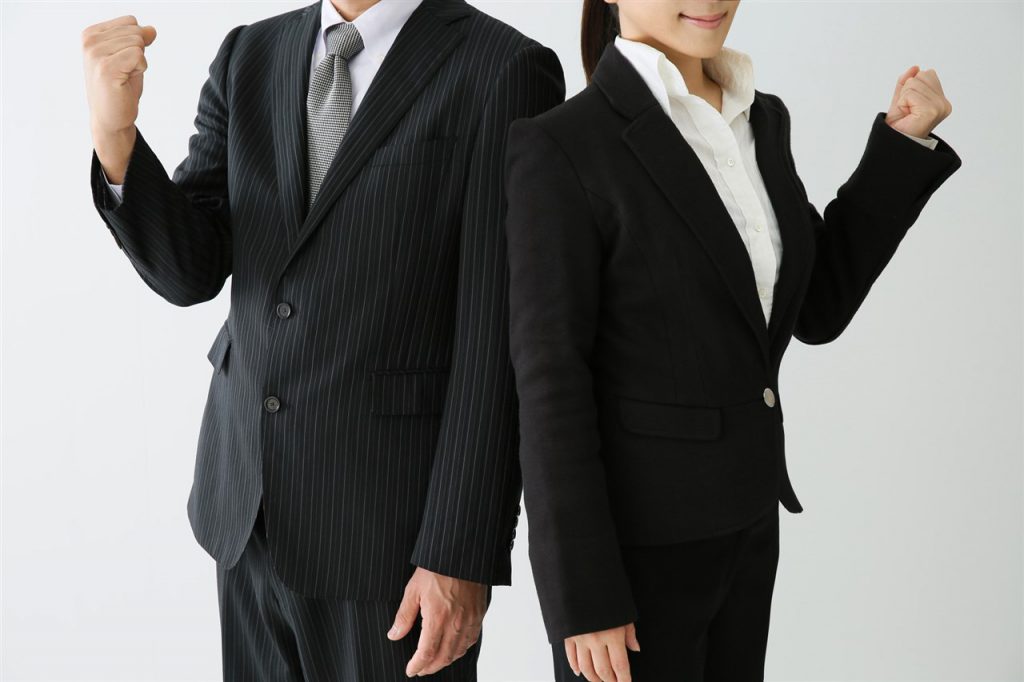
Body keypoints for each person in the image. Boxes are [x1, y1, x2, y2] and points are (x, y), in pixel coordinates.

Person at [81, 0, 564, 679]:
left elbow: (497, 337)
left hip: (391, 539)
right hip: (246, 508)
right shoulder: (250, 54)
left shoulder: (505, 67)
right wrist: (116, 137)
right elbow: (191, 271)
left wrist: (460, 552)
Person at [503, 1, 961, 680]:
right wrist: (584, 594)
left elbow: (817, 304)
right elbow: (550, 383)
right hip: (632, 562)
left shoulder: (760, 119)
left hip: (748, 532)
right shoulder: (563, 145)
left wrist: (902, 144)